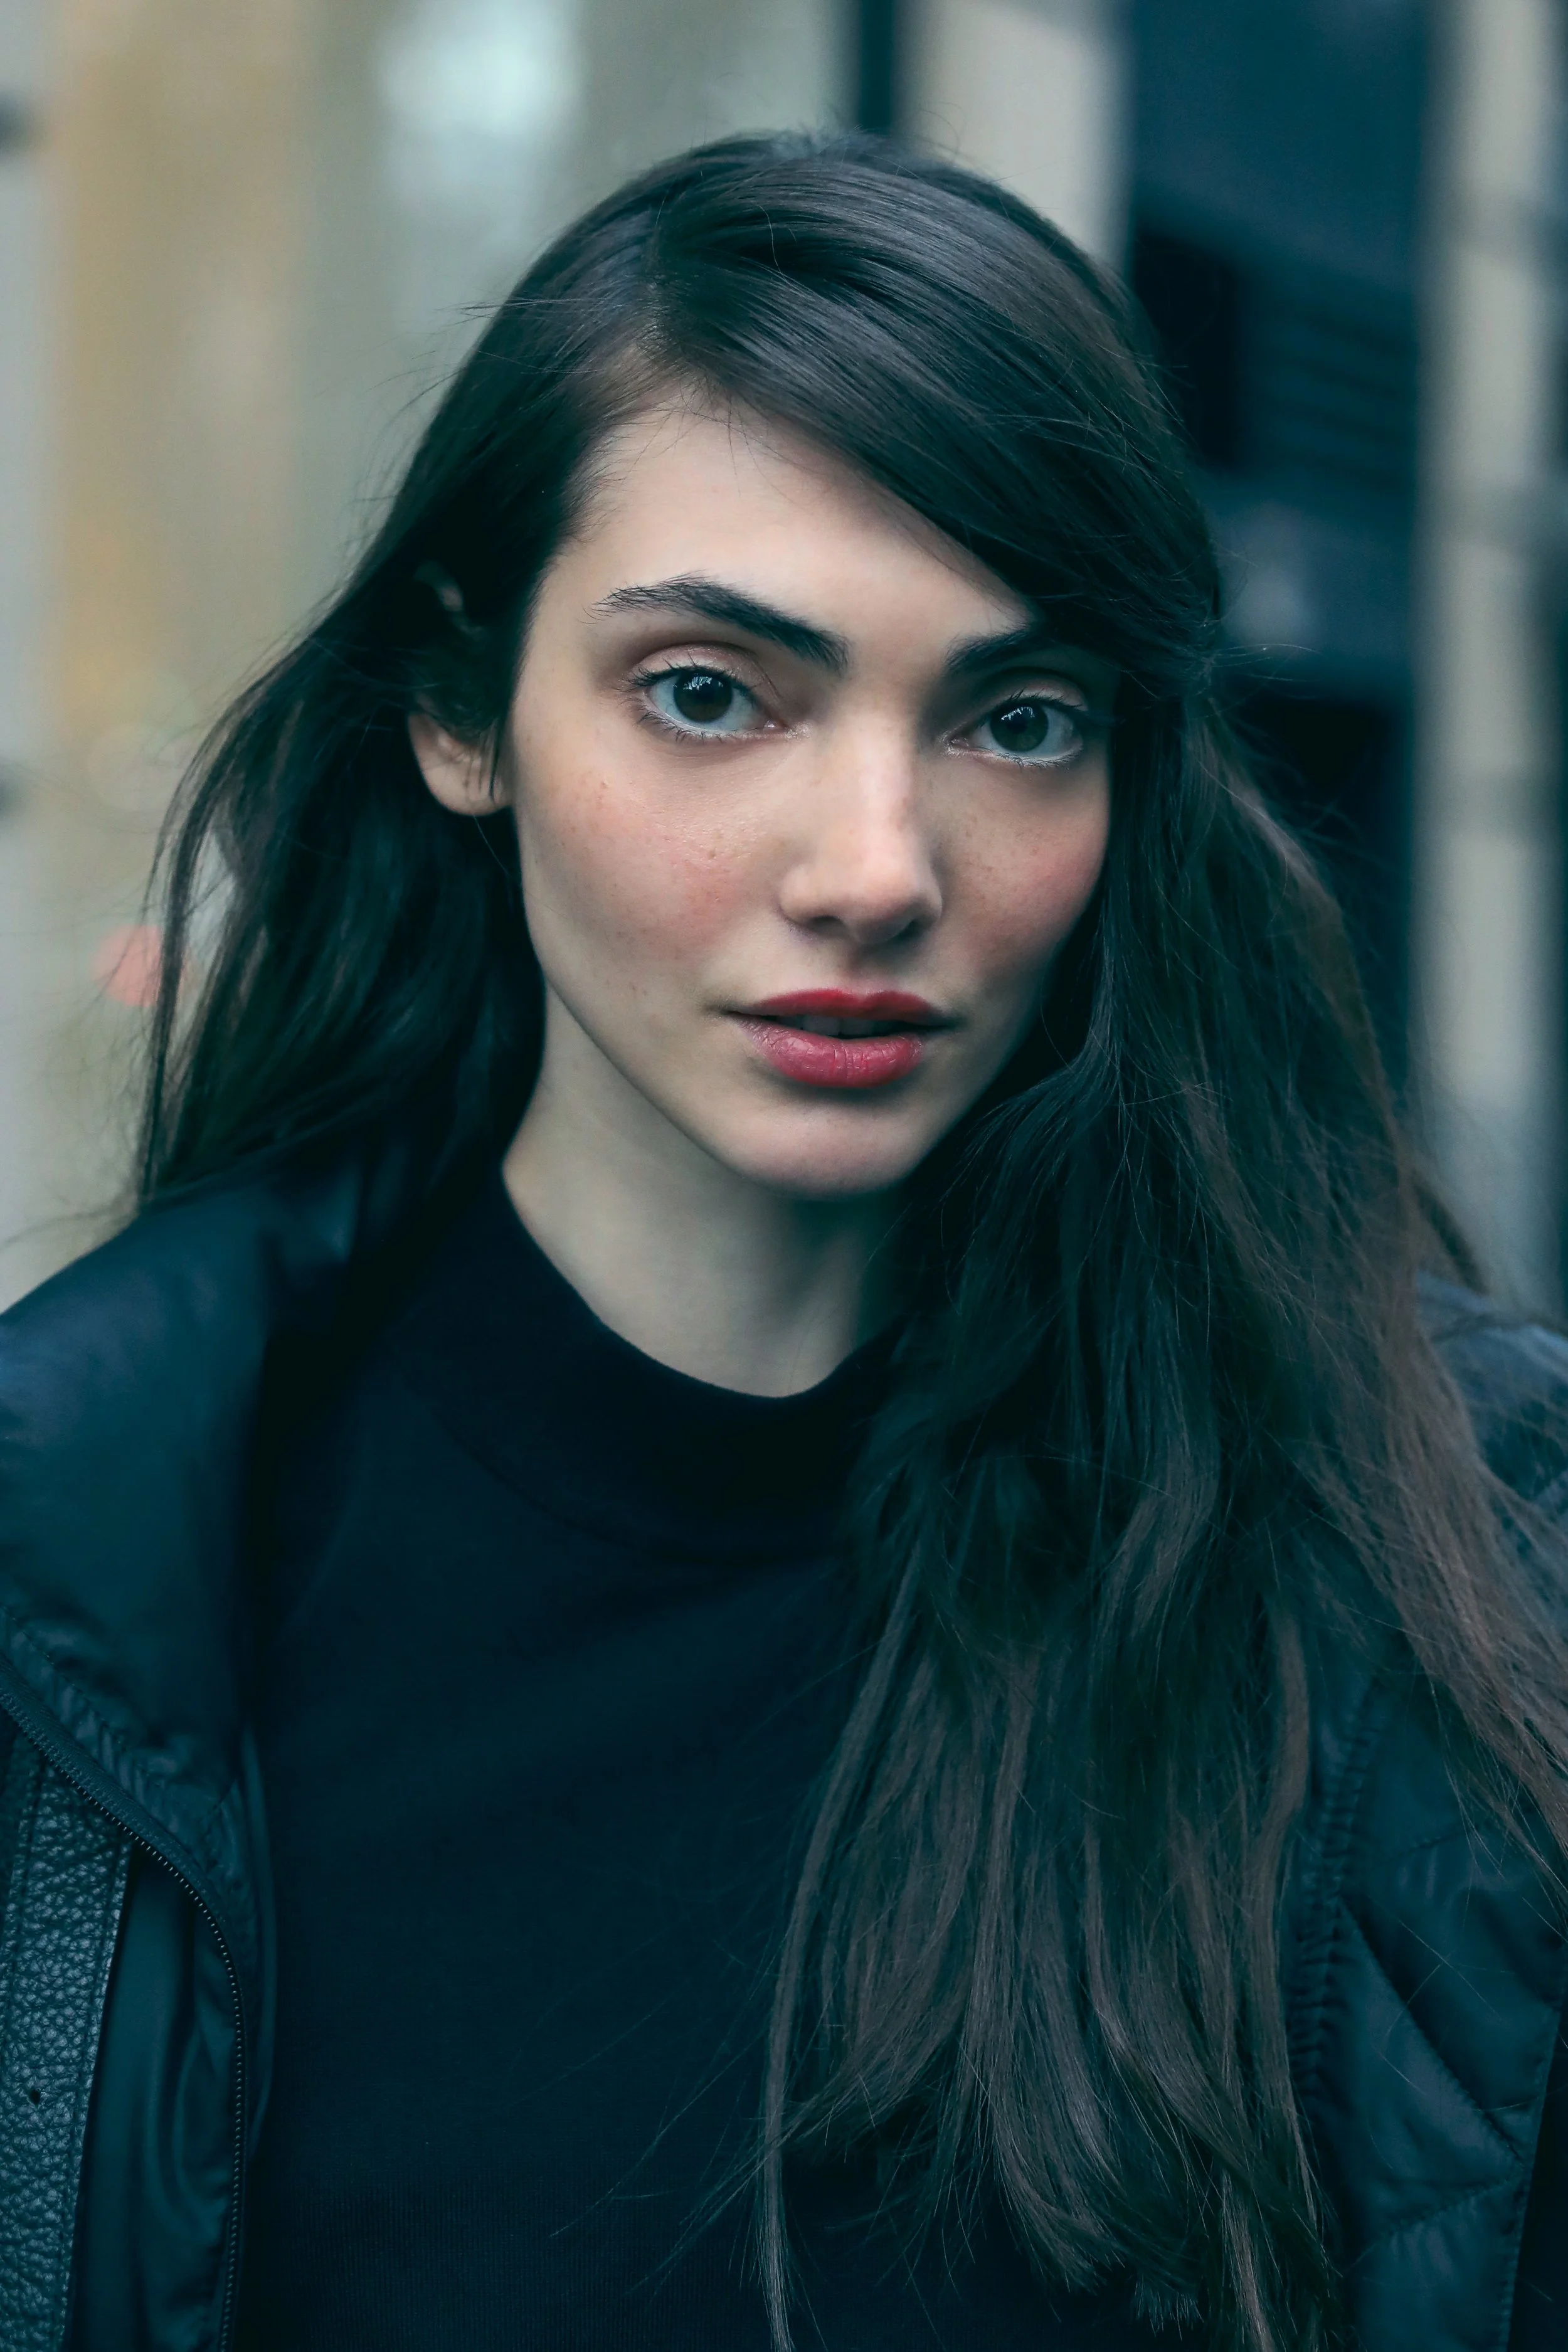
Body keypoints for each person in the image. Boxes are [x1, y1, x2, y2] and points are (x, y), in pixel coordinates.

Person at [1, 132, 1565, 2352]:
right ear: (462, 712)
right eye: (711, 693)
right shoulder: (94, 1579)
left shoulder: (1440, 1577)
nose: (874, 864)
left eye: (1015, 721)